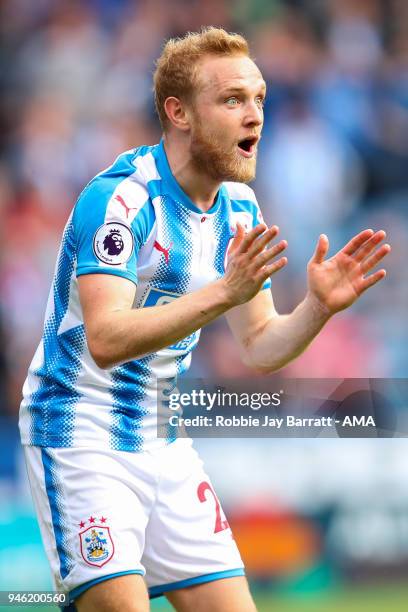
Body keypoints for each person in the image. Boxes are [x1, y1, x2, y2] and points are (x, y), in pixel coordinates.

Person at [19, 27, 390, 612]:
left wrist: (318, 307)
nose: (255, 116)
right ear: (179, 113)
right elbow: (106, 337)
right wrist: (223, 292)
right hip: (79, 430)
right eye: (233, 100)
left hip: (163, 435)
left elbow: (262, 346)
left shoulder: (240, 209)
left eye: (259, 98)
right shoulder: (120, 200)